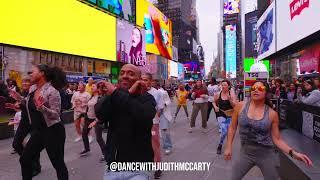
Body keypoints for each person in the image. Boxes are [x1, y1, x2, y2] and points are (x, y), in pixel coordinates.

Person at [224, 81, 312, 180]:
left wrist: (293, 153)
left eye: (260, 88)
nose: (256, 90)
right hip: (246, 153)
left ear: (266, 93)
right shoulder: (240, 106)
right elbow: (232, 127)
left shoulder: (272, 114)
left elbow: (277, 139)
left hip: (266, 155)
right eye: (253, 88)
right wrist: (228, 147)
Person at [95, 64, 156, 180]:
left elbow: (143, 115)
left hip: (138, 169)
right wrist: (111, 95)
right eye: (122, 73)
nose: (125, 76)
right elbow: (100, 114)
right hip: (113, 168)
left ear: (139, 79)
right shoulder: (115, 96)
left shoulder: (147, 98)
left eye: (131, 74)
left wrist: (116, 93)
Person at [19, 64, 68, 180]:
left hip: (53, 131)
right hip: (39, 131)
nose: (30, 73)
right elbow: (30, 104)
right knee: (25, 159)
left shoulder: (52, 91)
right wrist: (19, 99)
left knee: (58, 164)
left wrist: (43, 109)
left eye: (33, 71)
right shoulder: (33, 88)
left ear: (42, 73)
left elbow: (56, 115)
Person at [142, 73, 165, 179]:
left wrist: (155, 120)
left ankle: (158, 168)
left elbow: (160, 108)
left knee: (155, 145)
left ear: (151, 81)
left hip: (153, 124)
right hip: (140, 123)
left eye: (146, 80)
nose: (144, 82)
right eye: (142, 79)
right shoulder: (138, 92)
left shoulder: (157, 93)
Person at [213, 80, 236, 154]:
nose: (223, 86)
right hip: (221, 113)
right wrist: (215, 106)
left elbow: (234, 105)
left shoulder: (231, 94)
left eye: (225, 85)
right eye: (222, 85)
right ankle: (220, 145)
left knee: (229, 132)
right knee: (224, 131)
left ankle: (225, 144)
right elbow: (213, 101)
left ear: (228, 86)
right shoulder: (218, 93)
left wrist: (230, 100)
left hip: (230, 114)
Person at [80, 82, 103, 157]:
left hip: (96, 120)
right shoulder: (91, 96)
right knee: (84, 134)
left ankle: (105, 153)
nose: (92, 87)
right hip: (88, 119)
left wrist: (97, 120)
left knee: (99, 138)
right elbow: (88, 108)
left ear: (98, 88)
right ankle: (87, 149)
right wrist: (84, 116)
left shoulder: (100, 98)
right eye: (91, 86)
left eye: (93, 86)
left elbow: (101, 110)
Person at [158, 85, 173, 155]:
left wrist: (163, 105)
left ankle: (167, 146)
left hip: (163, 113)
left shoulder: (163, 92)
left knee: (164, 130)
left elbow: (168, 101)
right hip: (152, 114)